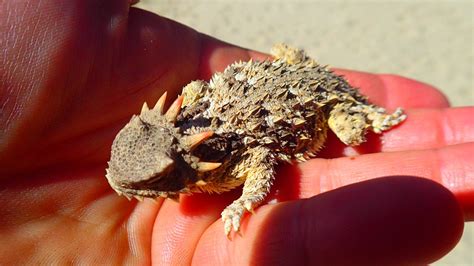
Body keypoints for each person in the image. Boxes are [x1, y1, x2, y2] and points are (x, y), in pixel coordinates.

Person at [0, 1, 472, 264]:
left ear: (177, 172)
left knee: (353, 134)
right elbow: (200, 89)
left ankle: (362, 112)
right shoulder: (185, 123)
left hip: (314, 102)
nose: (121, 186)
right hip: (269, 77)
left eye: (147, 181)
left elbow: (261, 160)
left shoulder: (217, 165)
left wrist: (246, 201)